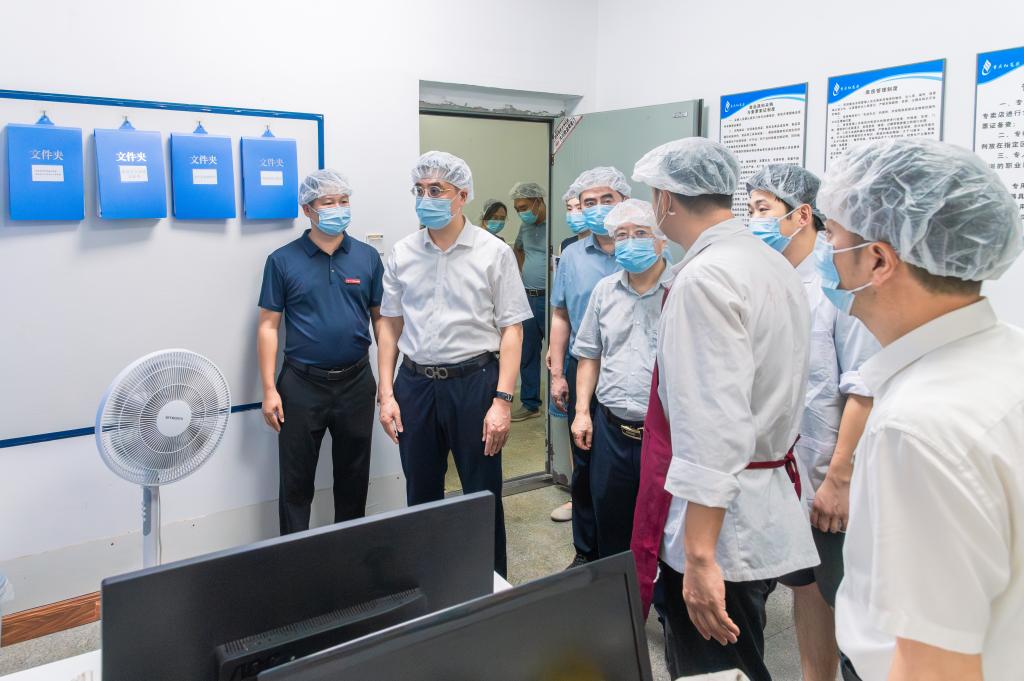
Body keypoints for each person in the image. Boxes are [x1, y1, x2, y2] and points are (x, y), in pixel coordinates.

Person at [816, 139, 1024, 681]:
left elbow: (934, 666)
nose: (824, 249)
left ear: (878, 260)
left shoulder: (918, 427)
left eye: (831, 234)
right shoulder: (1008, 354)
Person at [629, 138, 817, 681]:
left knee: (714, 668)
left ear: (665, 199)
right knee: (741, 655)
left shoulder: (705, 278)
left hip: (720, 524)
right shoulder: (767, 261)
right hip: (757, 500)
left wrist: (699, 557)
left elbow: (711, 427)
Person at [746, 163, 880, 681]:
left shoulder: (837, 284)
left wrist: (838, 478)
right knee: (805, 585)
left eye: (763, 209)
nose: (754, 220)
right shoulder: (770, 279)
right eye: (750, 210)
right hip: (785, 469)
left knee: (846, 598)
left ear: (802, 215)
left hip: (830, 473)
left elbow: (863, 387)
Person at [376, 151, 532, 577]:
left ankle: (491, 586)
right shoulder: (403, 252)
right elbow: (389, 325)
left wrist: (502, 401)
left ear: (462, 195)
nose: (426, 198)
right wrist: (386, 393)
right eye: (419, 190)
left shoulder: (493, 252)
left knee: (481, 494)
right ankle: (428, 583)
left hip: (474, 384)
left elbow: (512, 330)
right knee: (420, 493)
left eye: (436, 190)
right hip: (415, 385)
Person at [257, 169, 384, 535]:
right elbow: (268, 327)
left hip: (356, 382)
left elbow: (382, 321)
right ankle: (294, 558)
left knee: (354, 479)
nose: (338, 208)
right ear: (307, 209)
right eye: (328, 202)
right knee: (296, 484)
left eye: (344, 201)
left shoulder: (367, 258)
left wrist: (388, 384)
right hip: (300, 385)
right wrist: (269, 390)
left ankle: (347, 554)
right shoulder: (282, 261)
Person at [570, 198, 672, 558]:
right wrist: (582, 411)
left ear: (661, 239)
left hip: (664, 434)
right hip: (611, 431)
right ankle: (616, 591)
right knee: (611, 522)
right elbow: (589, 355)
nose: (630, 242)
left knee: (663, 531)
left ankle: (661, 596)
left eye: (641, 233)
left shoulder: (681, 290)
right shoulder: (605, 291)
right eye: (622, 235)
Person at [549, 166, 631, 568]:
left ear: (624, 200)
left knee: (625, 470)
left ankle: (631, 555)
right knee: (584, 463)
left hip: (631, 371)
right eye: (589, 202)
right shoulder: (573, 256)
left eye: (606, 199)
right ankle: (586, 550)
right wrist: (556, 373)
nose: (598, 208)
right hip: (582, 368)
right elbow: (561, 313)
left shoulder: (642, 248)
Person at [549, 186, 589, 524]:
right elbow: (561, 310)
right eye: (571, 207)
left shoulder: (628, 246)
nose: (575, 213)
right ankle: (580, 501)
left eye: (581, 206)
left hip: (618, 359)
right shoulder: (569, 249)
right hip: (578, 354)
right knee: (579, 432)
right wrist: (557, 363)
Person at [510, 181, 549, 422]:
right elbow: (518, 249)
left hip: (551, 300)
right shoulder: (525, 227)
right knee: (528, 353)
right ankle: (530, 403)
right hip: (528, 298)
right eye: (517, 209)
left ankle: (561, 404)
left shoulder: (555, 225)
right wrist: (524, 271)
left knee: (557, 353)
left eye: (524, 207)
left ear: (538, 201)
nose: (521, 213)